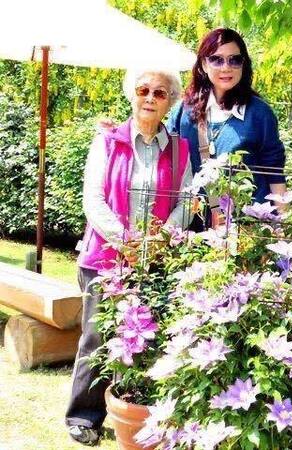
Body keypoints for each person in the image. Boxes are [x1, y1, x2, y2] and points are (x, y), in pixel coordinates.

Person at [66, 66, 192, 446]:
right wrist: (128, 242)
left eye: (160, 93)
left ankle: (138, 416)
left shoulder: (179, 149)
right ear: (132, 95)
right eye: (143, 90)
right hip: (105, 259)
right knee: (97, 337)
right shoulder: (107, 142)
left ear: (170, 102)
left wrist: (158, 241)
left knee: (143, 338)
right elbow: (93, 200)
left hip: (155, 260)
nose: (150, 98)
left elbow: (187, 201)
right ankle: (83, 416)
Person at [167, 28, 287, 209]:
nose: (226, 67)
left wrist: (283, 222)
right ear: (204, 64)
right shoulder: (183, 113)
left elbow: (275, 175)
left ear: (243, 64)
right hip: (192, 220)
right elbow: (164, 159)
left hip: (247, 221)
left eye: (234, 60)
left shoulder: (259, 114)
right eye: (217, 59)